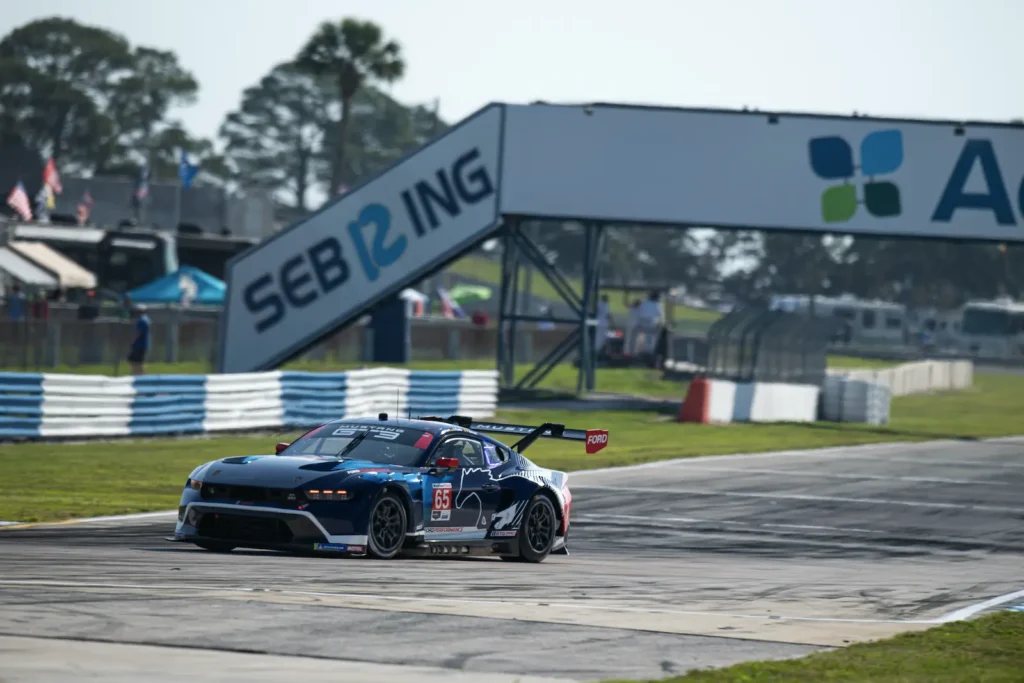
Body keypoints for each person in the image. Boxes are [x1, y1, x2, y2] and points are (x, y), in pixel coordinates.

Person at [637, 291, 665, 356]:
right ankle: (649, 352)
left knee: (644, 338)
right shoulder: (657, 304)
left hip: (642, 323)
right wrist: (662, 323)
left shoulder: (644, 303)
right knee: (652, 338)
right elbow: (660, 315)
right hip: (651, 323)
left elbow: (639, 312)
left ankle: (643, 351)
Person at [128, 304, 152, 375]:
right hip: (143, 344)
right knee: (134, 359)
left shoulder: (142, 320)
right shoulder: (146, 319)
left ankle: (139, 374)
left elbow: (139, 332)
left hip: (139, 344)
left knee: (136, 361)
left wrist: (133, 341)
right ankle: (137, 373)